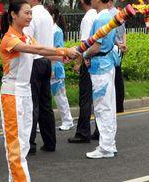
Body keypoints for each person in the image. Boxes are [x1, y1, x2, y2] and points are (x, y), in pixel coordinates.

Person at [0, 0, 78, 180]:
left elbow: (42, 53)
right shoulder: (9, 39)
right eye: (26, 13)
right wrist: (63, 50)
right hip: (12, 96)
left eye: (30, 13)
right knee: (16, 148)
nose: (29, 16)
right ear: (13, 14)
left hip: (26, 94)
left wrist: (63, 56)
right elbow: (37, 48)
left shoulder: (27, 37)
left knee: (23, 146)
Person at [83, 0, 119, 159]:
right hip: (108, 64)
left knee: (101, 107)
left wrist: (84, 54)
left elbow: (96, 47)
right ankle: (110, 143)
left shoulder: (99, 20)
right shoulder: (110, 17)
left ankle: (105, 148)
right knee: (109, 105)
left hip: (99, 67)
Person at [23, 0, 58, 154]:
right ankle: (50, 142)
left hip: (34, 61)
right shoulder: (46, 14)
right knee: (46, 104)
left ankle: (29, 144)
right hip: (46, 61)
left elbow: (27, 43)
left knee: (32, 104)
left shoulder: (31, 15)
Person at [67, 0, 98, 143]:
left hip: (88, 60)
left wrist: (78, 62)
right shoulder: (98, 15)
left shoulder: (87, 18)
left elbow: (84, 44)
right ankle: (99, 131)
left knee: (85, 98)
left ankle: (83, 132)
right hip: (99, 61)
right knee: (98, 97)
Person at [47, 5, 74, 131]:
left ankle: (68, 121)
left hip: (55, 67)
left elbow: (58, 51)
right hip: (48, 66)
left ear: (52, 16)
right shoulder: (48, 30)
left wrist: (52, 69)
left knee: (60, 96)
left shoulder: (56, 31)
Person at [108, 0, 127, 113]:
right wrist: (124, 44)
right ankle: (119, 105)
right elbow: (124, 31)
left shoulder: (109, 14)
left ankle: (115, 105)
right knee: (118, 76)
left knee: (112, 76)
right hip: (120, 49)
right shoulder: (120, 13)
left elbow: (110, 33)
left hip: (113, 47)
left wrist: (118, 44)